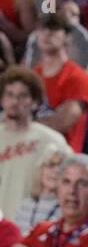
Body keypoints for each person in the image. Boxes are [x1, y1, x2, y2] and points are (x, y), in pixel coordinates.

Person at [0, 66, 71, 224]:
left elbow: (69, 182)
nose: (14, 101)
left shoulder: (52, 140)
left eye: (22, 96)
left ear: (35, 102)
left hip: (31, 223)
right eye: (9, 95)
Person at [30, 11, 88, 155]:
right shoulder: (32, 76)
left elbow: (62, 122)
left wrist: (21, 124)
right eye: (42, 29)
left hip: (64, 158)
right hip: (33, 155)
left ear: (67, 37)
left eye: (54, 28)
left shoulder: (78, 77)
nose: (47, 34)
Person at [14, 145, 71, 234]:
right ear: (41, 169)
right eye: (51, 165)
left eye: (61, 168)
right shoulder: (24, 205)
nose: (55, 171)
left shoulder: (68, 209)